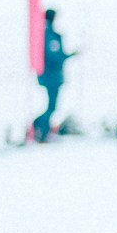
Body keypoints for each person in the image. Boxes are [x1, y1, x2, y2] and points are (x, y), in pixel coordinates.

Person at [34, 8, 74, 142]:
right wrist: (70, 55)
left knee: (51, 106)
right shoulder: (50, 35)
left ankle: (39, 127)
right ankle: (42, 131)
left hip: (47, 76)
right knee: (52, 107)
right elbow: (54, 57)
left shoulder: (42, 33)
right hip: (52, 77)